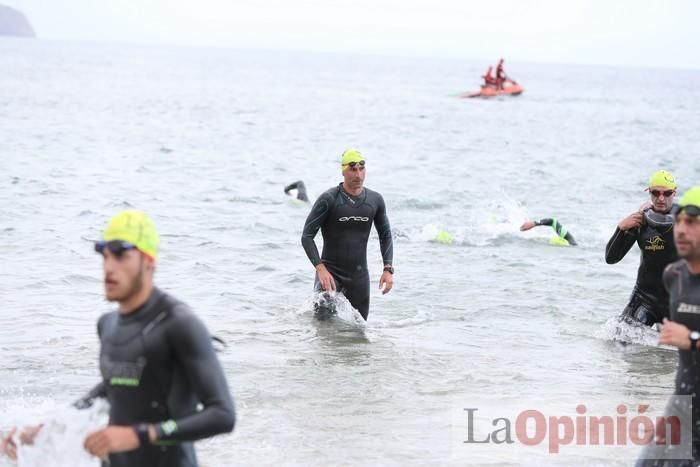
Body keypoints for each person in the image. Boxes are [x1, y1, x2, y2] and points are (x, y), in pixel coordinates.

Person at [1, 210, 235, 467]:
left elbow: (222, 414)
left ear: (148, 260)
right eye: (105, 255)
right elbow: (111, 389)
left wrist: (141, 434)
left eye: (121, 254)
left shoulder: (179, 324)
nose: (109, 267)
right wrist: (45, 431)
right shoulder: (108, 324)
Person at [636, 187, 700, 465]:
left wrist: (693, 340)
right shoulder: (674, 276)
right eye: (680, 221)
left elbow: (689, 339)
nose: (682, 230)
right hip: (683, 407)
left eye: (693, 223)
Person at [301, 149, 394, 321]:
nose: (358, 174)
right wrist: (320, 268)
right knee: (324, 334)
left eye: (361, 169)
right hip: (329, 276)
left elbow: (386, 235)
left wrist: (388, 269)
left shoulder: (375, 200)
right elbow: (306, 236)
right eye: (353, 169)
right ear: (343, 171)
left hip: (359, 279)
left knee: (359, 335)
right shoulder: (329, 199)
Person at [605, 170, 679, 327]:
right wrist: (620, 229)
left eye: (667, 193)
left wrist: (645, 211)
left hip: (678, 301)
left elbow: (661, 222)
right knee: (617, 341)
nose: (661, 198)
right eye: (655, 192)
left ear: (675, 193)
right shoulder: (640, 221)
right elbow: (611, 258)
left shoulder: (682, 218)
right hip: (645, 298)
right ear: (648, 192)